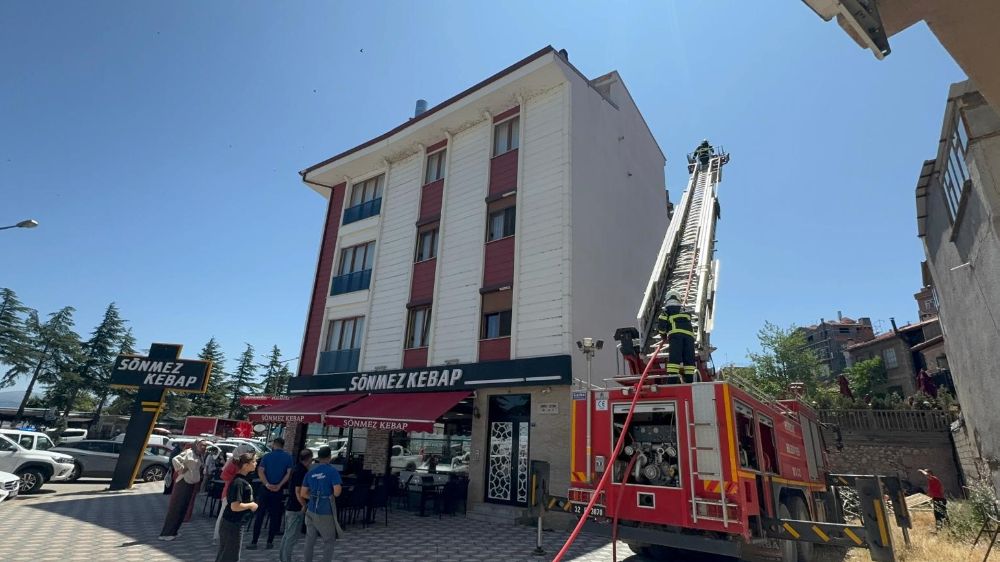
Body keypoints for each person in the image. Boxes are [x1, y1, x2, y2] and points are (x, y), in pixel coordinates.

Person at [249, 437, 295, 550]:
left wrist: (267, 484)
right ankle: (270, 541)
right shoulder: (288, 457)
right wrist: (279, 485)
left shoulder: (267, 456)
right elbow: (289, 474)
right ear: (283, 445)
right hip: (278, 490)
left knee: (260, 515)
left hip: (265, 489)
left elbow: (260, 471)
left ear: (274, 444)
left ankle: (254, 541)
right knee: (274, 515)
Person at [300, 446, 343, 562]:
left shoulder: (311, 472)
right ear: (329, 457)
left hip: (311, 509)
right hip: (325, 510)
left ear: (318, 458)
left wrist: (313, 496)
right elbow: (337, 492)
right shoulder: (332, 471)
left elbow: (303, 493)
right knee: (329, 540)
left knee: (309, 540)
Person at [159, 440, 207, 540]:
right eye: (202, 445)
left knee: (182, 508)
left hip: (191, 483)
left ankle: (173, 532)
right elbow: (175, 459)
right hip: (183, 482)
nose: (204, 447)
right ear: (196, 445)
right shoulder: (189, 452)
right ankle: (166, 533)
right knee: (176, 508)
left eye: (205, 445)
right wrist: (181, 469)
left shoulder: (199, 455)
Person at [216, 452, 259, 562]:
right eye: (253, 461)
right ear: (245, 465)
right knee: (230, 556)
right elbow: (235, 506)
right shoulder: (239, 482)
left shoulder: (243, 480)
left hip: (234, 523)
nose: (256, 463)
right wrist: (251, 505)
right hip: (232, 523)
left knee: (226, 553)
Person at [279, 448, 314, 562]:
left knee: (287, 535)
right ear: (309, 459)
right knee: (291, 537)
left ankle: (283, 558)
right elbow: (298, 491)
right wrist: (303, 504)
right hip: (295, 507)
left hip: (290, 505)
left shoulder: (296, 468)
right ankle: (286, 559)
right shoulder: (301, 471)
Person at [656, 292, 696, 383]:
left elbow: (662, 322)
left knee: (675, 358)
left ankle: (672, 381)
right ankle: (690, 380)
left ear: (667, 299)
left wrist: (663, 334)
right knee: (689, 358)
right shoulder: (685, 309)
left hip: (676, 336)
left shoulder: (667, 310)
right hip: (689, 337)